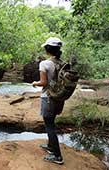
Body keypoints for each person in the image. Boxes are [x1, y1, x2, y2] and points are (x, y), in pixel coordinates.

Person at [32, 37, 65, 165]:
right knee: (52, 122)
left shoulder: (44, 63)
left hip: (48, 98)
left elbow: (43, 82)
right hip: (59, 97)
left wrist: (35, 83)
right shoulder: (63, 63)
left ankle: (57, 156)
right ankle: (51, 147)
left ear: (47, 49)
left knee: (49, 126)